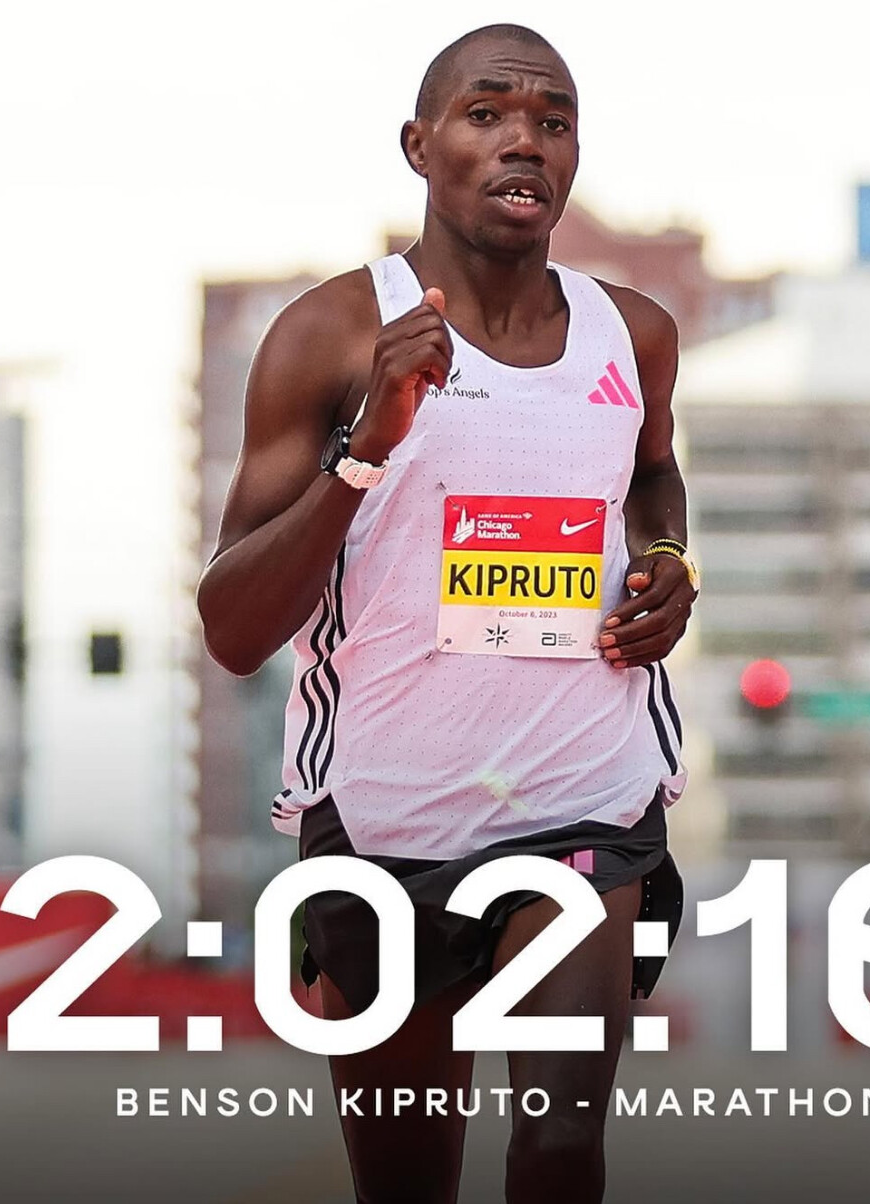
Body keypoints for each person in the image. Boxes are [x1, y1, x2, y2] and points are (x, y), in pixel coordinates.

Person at [197, 22, 699, 1204]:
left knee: (561, 1150)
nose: (525, 139)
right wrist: (365, 448)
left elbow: (650, 471)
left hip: (586, 797)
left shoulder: (632, 333)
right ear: (418, 146)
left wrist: (666, 557)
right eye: (488, 113)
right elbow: (233, 625)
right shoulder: (328, 333)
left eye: (552, 120)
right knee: (408, 1180)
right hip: (385, 816)